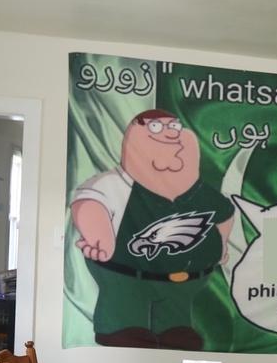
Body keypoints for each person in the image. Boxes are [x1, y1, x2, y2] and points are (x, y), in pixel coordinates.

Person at [70, 109, 234, 349]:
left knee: (175, 335)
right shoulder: (116, 184)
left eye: (175, 128)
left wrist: (220, 244)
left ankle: (173, 327)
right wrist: (99, 237)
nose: (170, 135)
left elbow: (224, 213)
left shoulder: (196, 191)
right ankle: (122, 328)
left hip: (180, 284)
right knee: (125, 332)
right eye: (157, 127)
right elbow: (89, 203)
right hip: (125, 280)